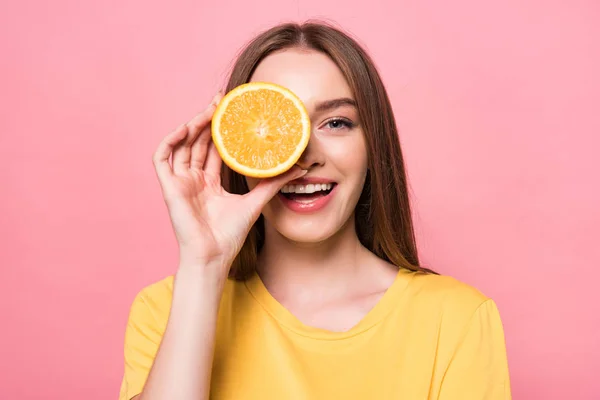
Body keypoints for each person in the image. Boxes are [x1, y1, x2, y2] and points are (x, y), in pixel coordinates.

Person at [119, 21, 511, 400]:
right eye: (275, 126)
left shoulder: (456, 319)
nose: (303, 156)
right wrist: (204, 266)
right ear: (238, 147)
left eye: (336, 122)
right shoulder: (171, 308)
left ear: (374, 144)